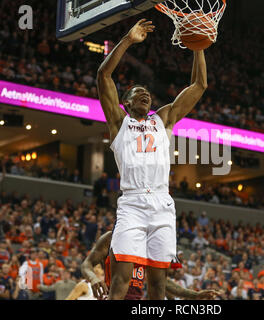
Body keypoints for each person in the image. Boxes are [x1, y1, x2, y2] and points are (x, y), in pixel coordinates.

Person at [97, 19, 207, 300]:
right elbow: (103, 76)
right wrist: (128, 40)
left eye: (147, 92)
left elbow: (199, 84)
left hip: (162, 203)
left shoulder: (164, 119)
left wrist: (198, 46)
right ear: (126, 102)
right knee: (121, 282)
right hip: (132, 203)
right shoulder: (118, 122)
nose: (144, 93)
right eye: (137, 92)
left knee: (158, 285)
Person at [81, 231, 219, 300]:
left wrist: (194, 295)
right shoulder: (111, 237)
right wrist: (93, 278)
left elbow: (162, 282)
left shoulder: (149, 242)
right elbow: (86, 264)